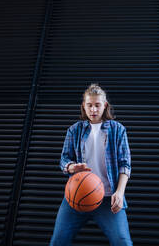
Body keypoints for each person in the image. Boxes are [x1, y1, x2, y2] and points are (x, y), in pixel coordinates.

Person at [49, 83, 133, 246]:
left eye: (97, 105)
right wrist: (72, 167)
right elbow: (64, 159)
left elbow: (125, 165)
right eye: (89, 105)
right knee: (58, 241)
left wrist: (120, 193)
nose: (93, 110)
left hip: (108, 198)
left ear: (105, 105)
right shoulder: (74, 130)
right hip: (77, 196)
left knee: (123, 242)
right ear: (83, 106)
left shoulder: (118, 130)